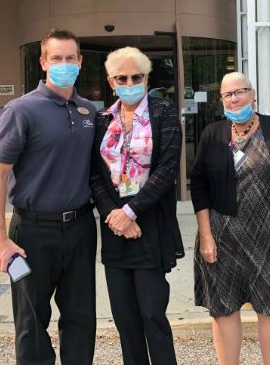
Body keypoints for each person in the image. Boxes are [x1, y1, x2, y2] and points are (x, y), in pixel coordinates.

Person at [0, 28, 98, 365]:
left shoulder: (89, 112)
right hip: (32, 233)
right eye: (56, 58)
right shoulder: (21, 111)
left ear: (80, 62)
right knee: (32, 322)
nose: (63, 64)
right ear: (43, 62)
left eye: (70, 58)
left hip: (80, 228)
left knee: (81, 318)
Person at [191, 72, 270, 365]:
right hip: (221, 236)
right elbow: (200, 186)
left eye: (240, 91)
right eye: (227, 94)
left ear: (253, 94)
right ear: (222, 100)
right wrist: (206, 235)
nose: (234, 98)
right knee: (223, 308)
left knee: (269, 307)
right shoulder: (212, 133)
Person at [89, 46, 184, 365]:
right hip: (114, 229)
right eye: (122, 77)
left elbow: (166, 170)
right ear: (111, 81)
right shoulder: (102, 120)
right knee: (125, 321)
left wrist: (130, 212)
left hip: (150, 226)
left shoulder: (163, 112)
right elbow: (93, 175)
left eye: (136, 76)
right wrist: (113, 215)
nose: (129, 82)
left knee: (153, 316)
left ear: (146, 78)